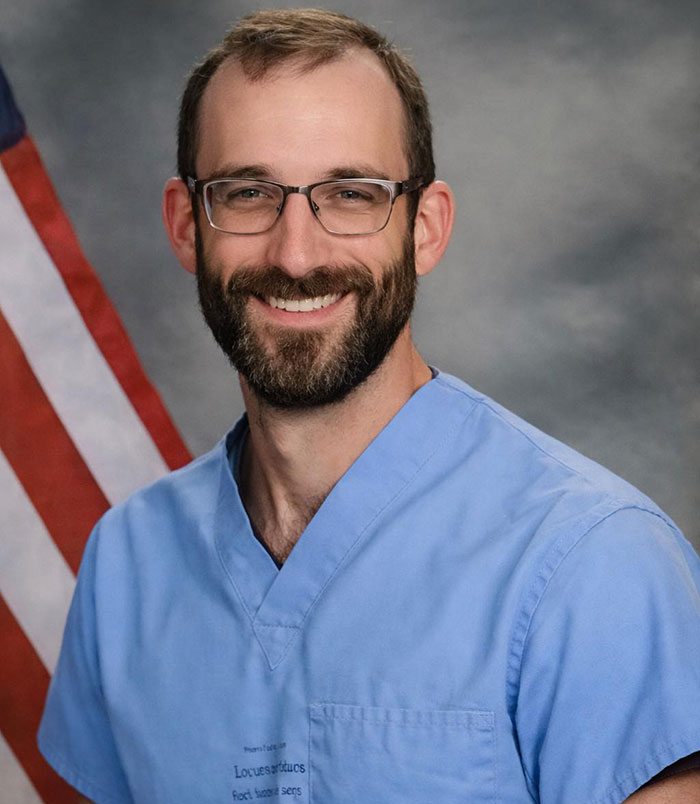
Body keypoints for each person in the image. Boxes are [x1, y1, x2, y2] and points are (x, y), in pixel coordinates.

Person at [38, 9, 700, 804]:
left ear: (426, 228)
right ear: (188, 226)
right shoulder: (127, 566)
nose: (296, 253)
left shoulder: (596, 565)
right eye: (247, 193)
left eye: (352, 195)